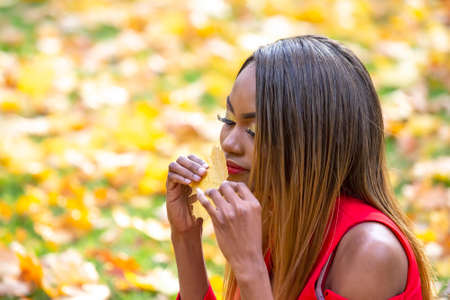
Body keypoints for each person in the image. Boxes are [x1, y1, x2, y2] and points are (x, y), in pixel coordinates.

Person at [165, 35, 435, 300]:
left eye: (255, 130)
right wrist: (186, 237)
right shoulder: (277, 215)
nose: (230, 143)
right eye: (229, 119)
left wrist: (250, 267)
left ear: (315, 141)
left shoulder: (370, 253)